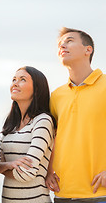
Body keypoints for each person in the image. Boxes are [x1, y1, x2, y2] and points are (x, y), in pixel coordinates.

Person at [45, 27, 106, 202]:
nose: (62, 46)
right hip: (63, 193)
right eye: (60, 44)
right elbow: (53, 138)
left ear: (88, 49)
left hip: (100, 193)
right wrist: (49, 172)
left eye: (69, 41)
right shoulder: (57, 95)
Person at [0, 66, 55, 202]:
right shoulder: (11, 125)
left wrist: (2, 167)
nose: (15, 83)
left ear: (37, 89)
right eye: (14, 79)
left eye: (23, 80)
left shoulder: (43, 120)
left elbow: (26, 173)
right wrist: (9, 165)